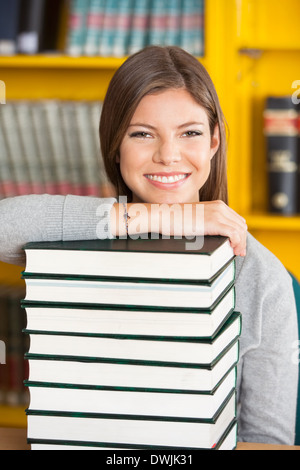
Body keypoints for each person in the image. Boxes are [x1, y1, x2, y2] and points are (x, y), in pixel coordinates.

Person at [0, 46, 298, 445]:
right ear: (115, 146)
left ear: (213, 142)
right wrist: (157, 217)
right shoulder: (81, 237)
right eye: (142, 134)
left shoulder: (260, 275)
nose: (168, 155)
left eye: (189, 133)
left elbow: (268, 441)